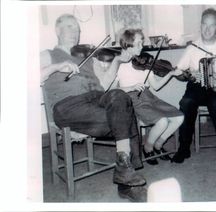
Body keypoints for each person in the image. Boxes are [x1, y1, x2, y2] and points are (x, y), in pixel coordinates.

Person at [40, 14, 147, 202]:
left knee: (121, 97)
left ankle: (125, 172)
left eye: (77, 28)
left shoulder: (88, 57)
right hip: (68, 106)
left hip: (96, 100)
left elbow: (104, 86)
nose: (75, 32)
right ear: (57, 30)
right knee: (125, 116)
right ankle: (126, 182)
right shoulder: (48, 54)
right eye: (69, 27)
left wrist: (116, 61)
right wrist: (57, 66)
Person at [171, 8, 216, 166]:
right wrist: (187, 74)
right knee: (186, 103)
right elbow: (179, 74)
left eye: (211, 26)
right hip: (196, 87)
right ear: (200, 25)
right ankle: (184, 148)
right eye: (204, 25)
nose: (207, 29)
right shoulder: (192, 48)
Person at [110, 29, 184, 165]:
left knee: (179, 117)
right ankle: (148, 147)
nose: (141, 46)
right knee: (162, 122)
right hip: (132, 99)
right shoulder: (119, 65)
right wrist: (130, 87)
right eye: (138, 43)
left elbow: (155, 86)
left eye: (142, 43)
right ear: (128, 45)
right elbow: (111, 90)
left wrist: (171, 74)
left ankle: (158, 144)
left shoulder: (144, 62)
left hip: (149, 96)